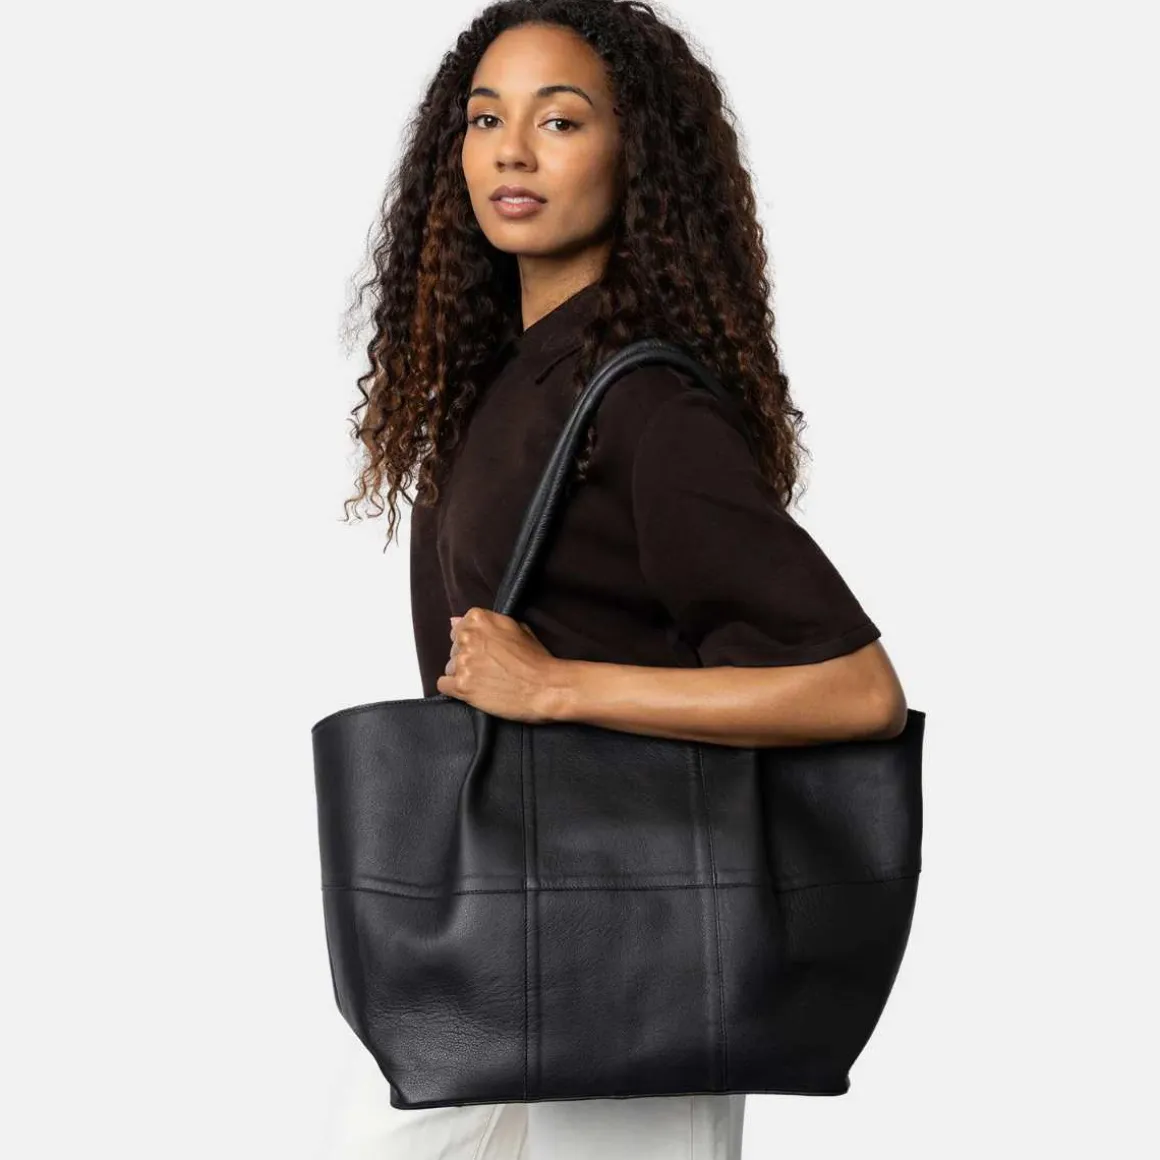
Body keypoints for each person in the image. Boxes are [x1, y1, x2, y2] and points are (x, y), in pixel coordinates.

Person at [327, 2, 907, 1157]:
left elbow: (855, 689)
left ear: (634, 151)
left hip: (640, 942)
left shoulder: (644, 407)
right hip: (499, 920)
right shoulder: (506, 382)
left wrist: (557, 688)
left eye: (560, 119)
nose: (511, 151)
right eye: (485, 118)